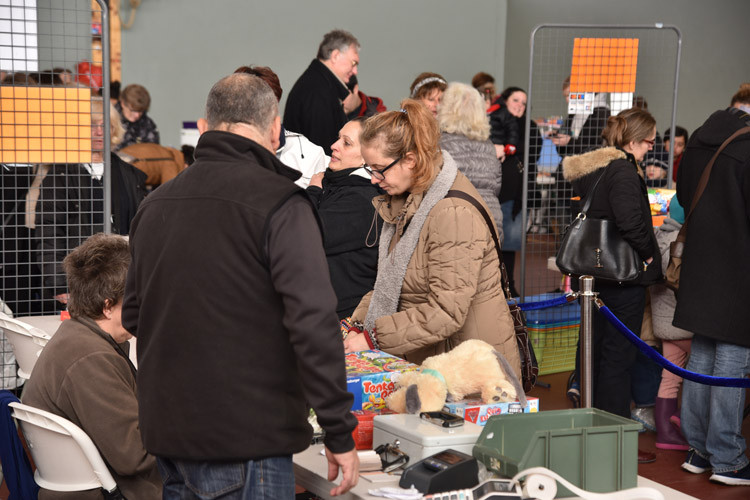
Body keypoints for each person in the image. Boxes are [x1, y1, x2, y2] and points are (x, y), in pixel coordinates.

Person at [122, 73, 359, 498]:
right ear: (274, 128)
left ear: (204, 126)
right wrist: (339, 431)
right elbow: (313, 325)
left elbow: (135, 314)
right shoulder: (282, 203)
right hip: (247, 437)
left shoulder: (153, 204)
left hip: (167, 432)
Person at [343, 99, 520, 375]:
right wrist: (356, 324)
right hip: (438, 361)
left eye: (378, 168)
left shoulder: (453, 214)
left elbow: (446, 311)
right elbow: (392, 283)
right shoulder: (412, 199)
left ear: (410, 160)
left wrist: (371, 337)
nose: (373, 179)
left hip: (471, 372)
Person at [23, 233, 162, 499]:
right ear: (108, 306)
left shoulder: (77, 336)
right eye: (136, 298)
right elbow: (134, 456)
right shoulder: (91, 358)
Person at [562, 107, 662, 463]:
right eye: (650, 141)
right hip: (621, 277)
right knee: (618, 359)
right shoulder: (623, 170)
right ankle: (615, 441)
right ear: (634, 139)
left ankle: (595, 431)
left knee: (598, 353)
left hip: (595, 274)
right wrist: (649, 254)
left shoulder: (596, 167)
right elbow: (630, 220)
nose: (652, 148)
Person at [674, 91, 750, 485]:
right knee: (733, 361)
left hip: (700, 266)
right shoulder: (747, 148)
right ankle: (728, 458)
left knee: (702, 354)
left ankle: (699, 450)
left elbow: (684, 198)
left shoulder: (702, 138)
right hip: (738, 271)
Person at [36, 98, 147, 310]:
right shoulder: (60, 176)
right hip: (80, 281)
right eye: (91, 125)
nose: (98, 132)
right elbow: (49, 232)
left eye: (105, 125)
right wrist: (60, 284)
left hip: (121, 283)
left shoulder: (130, 176)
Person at [306, 117, 381, 319]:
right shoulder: (334, 183)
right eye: (338, 138)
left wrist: (312, 191)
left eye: (346, 143)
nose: (333, 146)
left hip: (339, 317)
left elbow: (303, 235)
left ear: (367, 156)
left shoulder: (362, 200)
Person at [234, 65, 327, 188]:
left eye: (260, 100)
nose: (252, 108)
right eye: (244, 100)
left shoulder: (309, 153)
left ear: (275, 102)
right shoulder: (217, 148)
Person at [437, 82, 503, 242]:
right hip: (490, 220)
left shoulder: (440, 145)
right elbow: (497, 185)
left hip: (453, 224)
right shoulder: (489, 146)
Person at [650, 195, 691, 451]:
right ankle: (686, 420)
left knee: (670, 377)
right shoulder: (686, 243)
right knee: (704, 374)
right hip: (686, 324)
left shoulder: (657, 239)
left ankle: (665, 432)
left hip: (664, 324)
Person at [284, 29, 361, 155]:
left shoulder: (317, 83)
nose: (355, 71)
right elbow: (323, 150)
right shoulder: (318, 92)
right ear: (335, 56)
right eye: (353, 63)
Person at [115, 83, 160, 150]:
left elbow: (154, 151)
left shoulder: (148, 124)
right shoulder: (110, 120)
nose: (137, 115)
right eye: (133, 110)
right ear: (123, 104)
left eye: (140, 111)